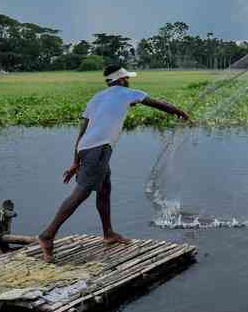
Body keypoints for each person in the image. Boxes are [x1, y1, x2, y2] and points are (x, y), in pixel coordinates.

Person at [37, 64, 190, 262]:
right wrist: (181, 112)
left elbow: (83, 131)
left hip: (87, 149)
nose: (129, 81)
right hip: (99, 150)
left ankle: (108, 233)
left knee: (104, 188)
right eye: (128, 79)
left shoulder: (97, 98)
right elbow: (158, 104)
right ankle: (47, 235)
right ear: (122, 80)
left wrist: (76, 161)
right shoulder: (128, 93)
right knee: (81, 193)